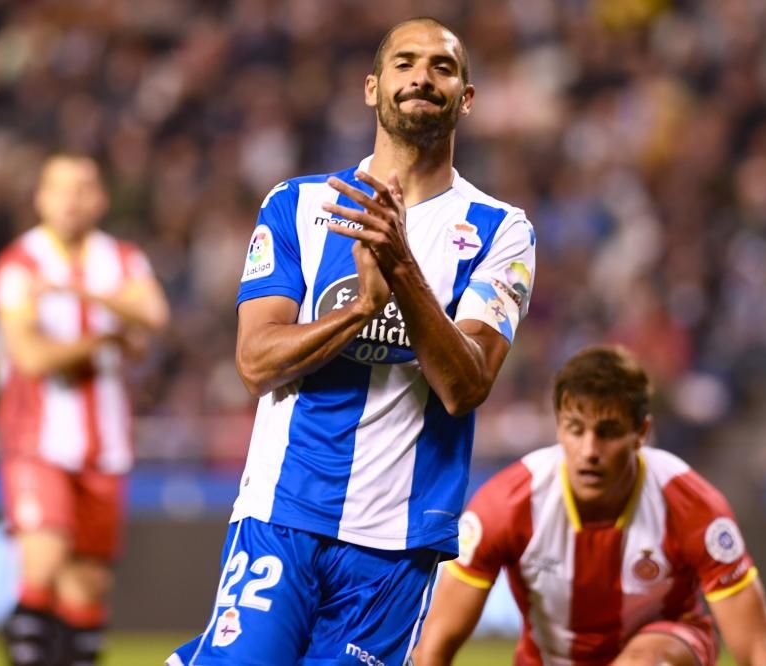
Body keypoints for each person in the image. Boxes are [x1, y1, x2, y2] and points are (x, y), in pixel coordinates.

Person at [168, 16, 536, 666]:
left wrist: (400, 267)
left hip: (397, 542)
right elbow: (255, 364)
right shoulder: (298, 205)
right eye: (405, 62)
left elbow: (466, 386)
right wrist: (362, 307)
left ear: (466, 98)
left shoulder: (501, 231)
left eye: (443, 67)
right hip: (283, 512)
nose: (422, 76)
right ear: (372, 88)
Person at [414, 346, 766, 666]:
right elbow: (435, 643)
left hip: (662, 648)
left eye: (607, 432)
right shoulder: (507, 505)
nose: (590, 451)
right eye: (576, 429)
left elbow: (758, 651)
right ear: (559, 428)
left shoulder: (691, 505)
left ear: (640, 433)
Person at [0, 153, 169, 666]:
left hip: (105, 446)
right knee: (42, 568)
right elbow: (32, 357)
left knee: (87, 590)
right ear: (40, 198)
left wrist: (76, 291)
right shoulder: (19, 263)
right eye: (60, 189)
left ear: (101, 198)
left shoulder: (120, 258)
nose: (72, 200)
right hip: (37, 441)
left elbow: (155, 314)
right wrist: (108, 334)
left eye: (83, 188)